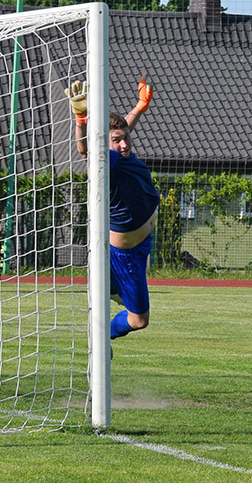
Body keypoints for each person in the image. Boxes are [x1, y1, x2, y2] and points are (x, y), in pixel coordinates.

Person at [65, 74, 159, 346]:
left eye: (125, 138)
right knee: (139, 319)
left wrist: (140, 106)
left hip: (141, 245)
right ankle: (101, 338)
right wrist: (81, 121)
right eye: (116, 140)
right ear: (104, 144)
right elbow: (84, 150)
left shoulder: (121, 150)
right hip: (126, 254)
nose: (125, 144)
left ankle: (111, 287)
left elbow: (124, 127)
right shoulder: (109, 160)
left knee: (124, 299)